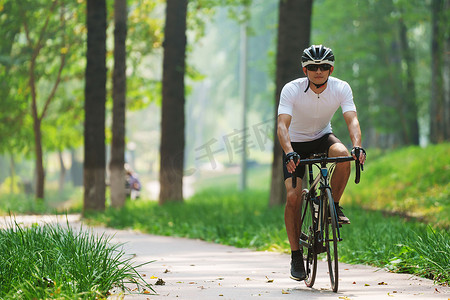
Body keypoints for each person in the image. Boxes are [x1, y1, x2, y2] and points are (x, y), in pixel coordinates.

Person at [277, 45, 366, 281]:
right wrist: (288, 152)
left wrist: (357, 145)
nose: (319, 71)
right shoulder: (291, 89)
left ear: (331, 69)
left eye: (324, 67)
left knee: (343, 154)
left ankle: (332, 205)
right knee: (294, 197)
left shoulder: (341, 87)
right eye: (313, 67)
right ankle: (296, 255)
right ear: (304, 69)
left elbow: (352, 119)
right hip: (294, 144)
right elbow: (282, 125)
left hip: (322, 137)